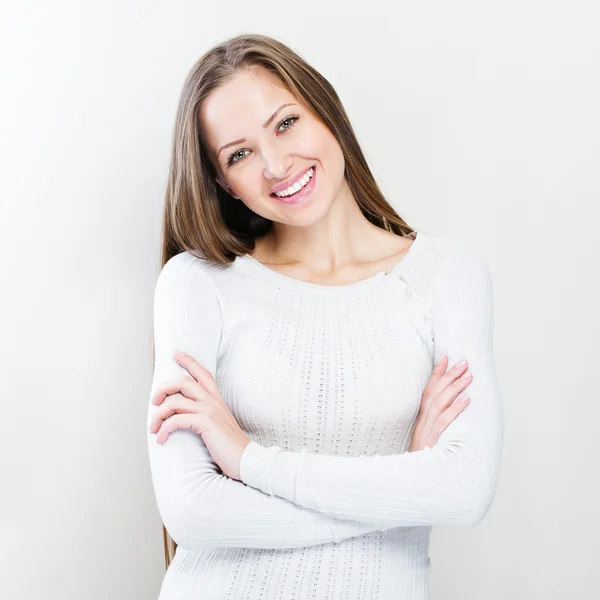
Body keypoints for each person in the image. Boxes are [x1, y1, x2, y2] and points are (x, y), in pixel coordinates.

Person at [146, 33, 504, 600]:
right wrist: (401, 487)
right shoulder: (197, 283)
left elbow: (463, 489)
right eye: (239, 154)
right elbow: (193, 513)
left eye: (286, 123)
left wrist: (248, 460)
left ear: (326, 110)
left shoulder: (445, 275)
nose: (276, 164)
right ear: (221, 182)